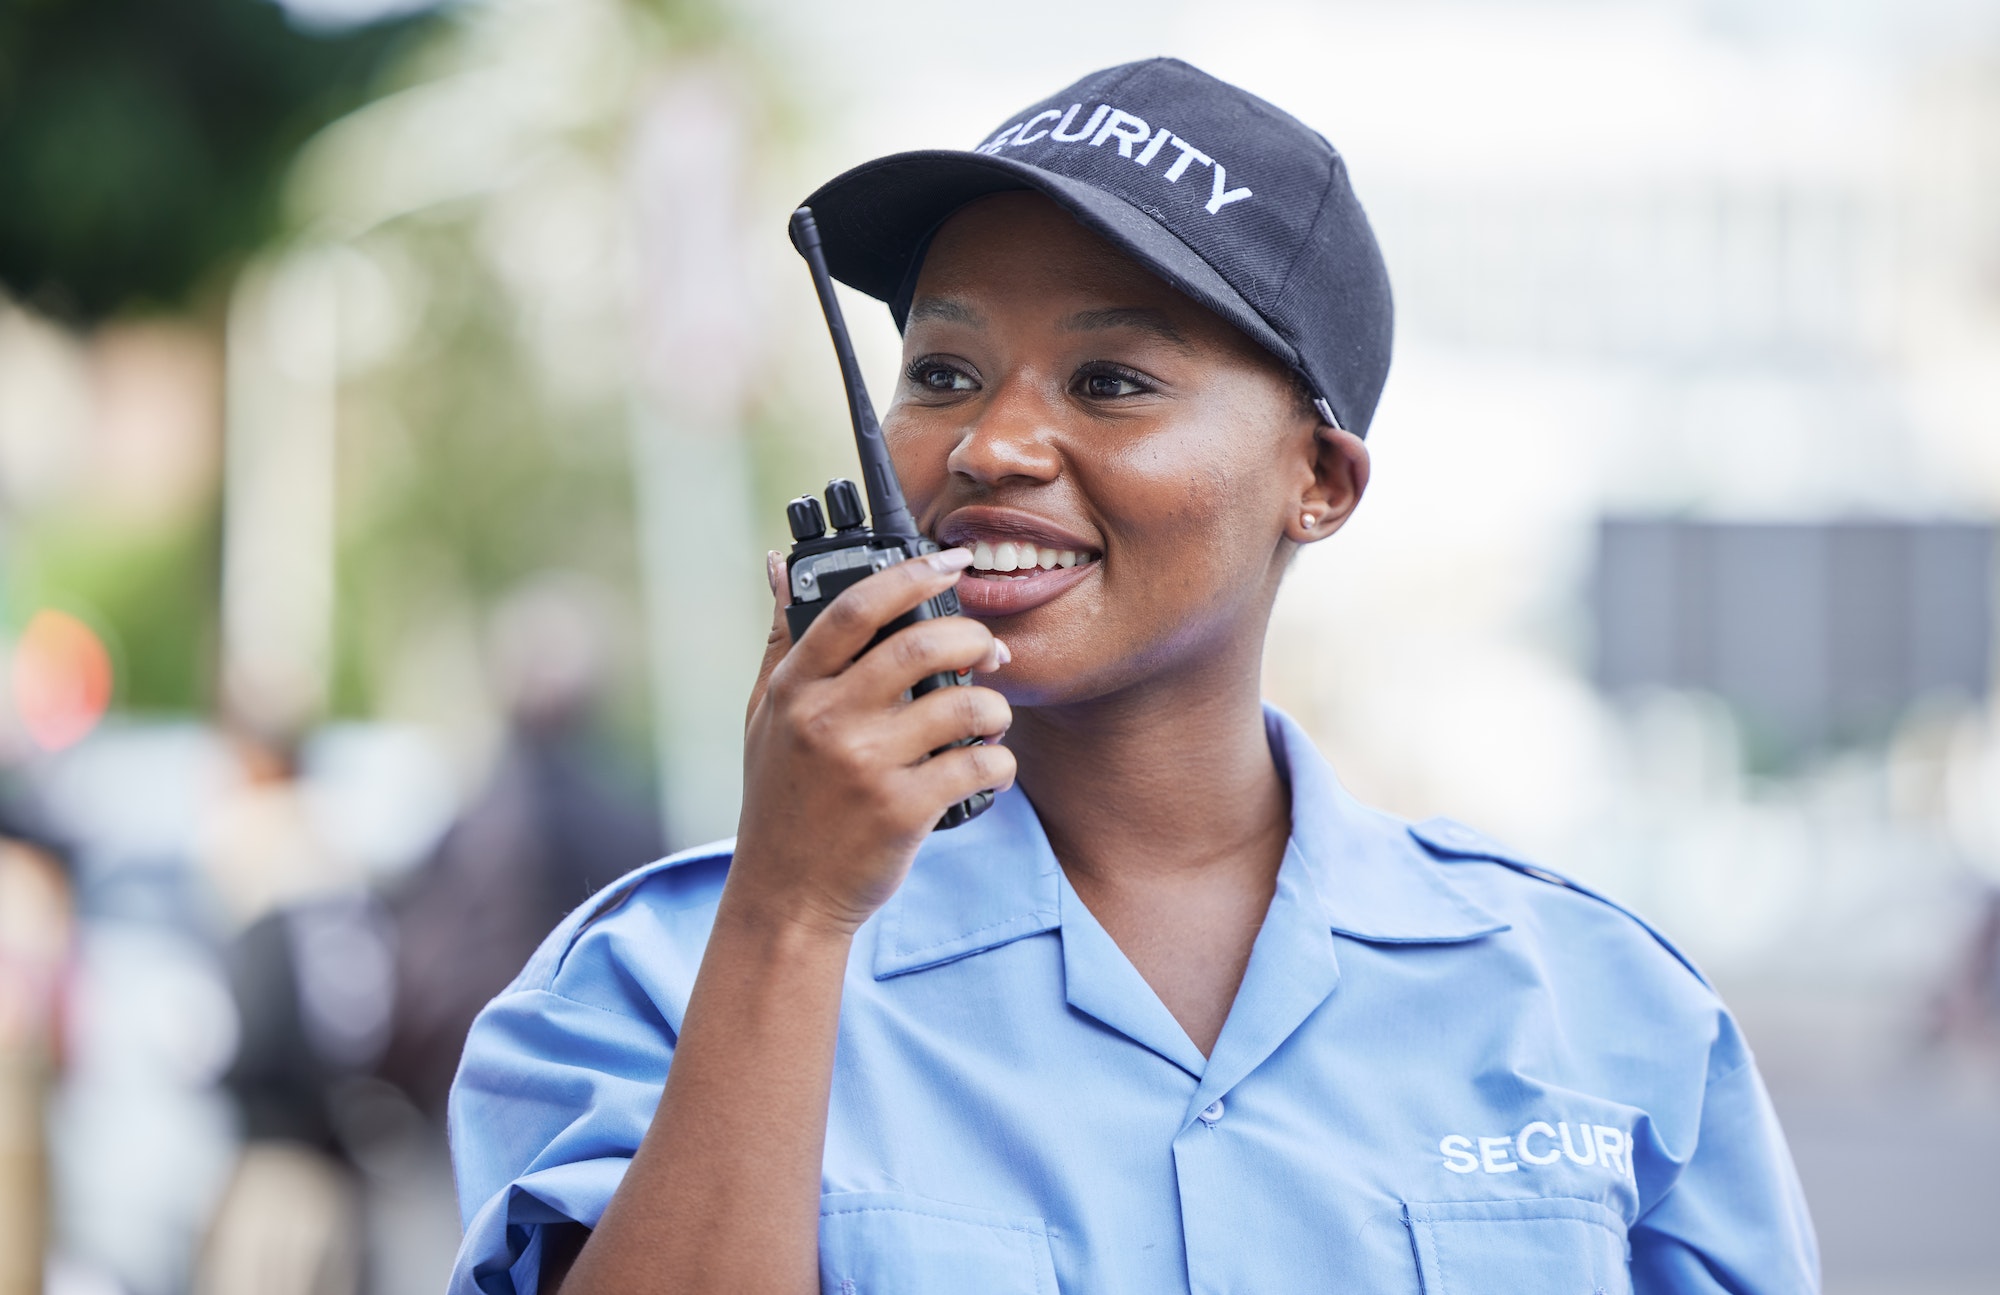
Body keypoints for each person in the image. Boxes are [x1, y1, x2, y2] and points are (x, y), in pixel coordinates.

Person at [447, 59, 1819, 1294]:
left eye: (1110, 382)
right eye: (941, 371)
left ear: (1320, 481)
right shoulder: (658, 980)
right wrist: (792, 922)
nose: (991, 445)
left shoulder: (1599, 1007)